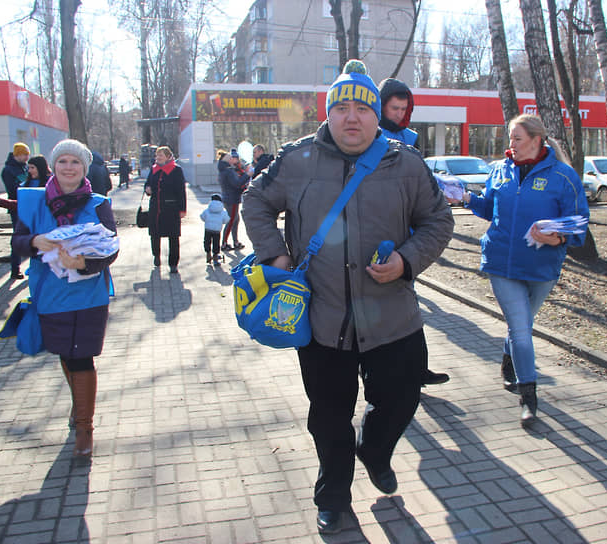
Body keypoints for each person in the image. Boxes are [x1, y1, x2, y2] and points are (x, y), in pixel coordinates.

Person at [242, 60, 454, 534]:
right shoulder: (297, 161)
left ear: (378, 116)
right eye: (342, 107)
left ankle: (375, 449)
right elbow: (254, 200)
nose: (352, 117)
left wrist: (406, 260)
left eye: (363, 107)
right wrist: (273, 255)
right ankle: (333, 495)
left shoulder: (406, 163)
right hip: (322, 319)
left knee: (400, 400)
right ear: (329, 114)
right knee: (329, 419)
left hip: (393, 316)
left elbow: (439, 221)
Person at [454, 114, 589, 426]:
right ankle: (528, 396)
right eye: (509, 138)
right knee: (522, 330)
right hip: (502, 263)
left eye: (517, 138)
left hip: (542, 268)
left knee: (521, 325)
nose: (510, 145)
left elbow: (579, 221)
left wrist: (558, 236)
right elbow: (489, 208)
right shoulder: (499, 170)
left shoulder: (563, 176)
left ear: (536, 140)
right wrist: (465, 198)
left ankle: (508, 358)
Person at [12, 139, 119, 457]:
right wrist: (34, 240)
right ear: (54, 166)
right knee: (65, 352)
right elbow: (17, 242)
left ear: (84, 168)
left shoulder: (98, 203)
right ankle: (78, 407)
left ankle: (84, 428)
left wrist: (84, 262)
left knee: (82, 356)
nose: (68, 167)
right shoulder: (34, 201)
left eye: (75, 162)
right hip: (50, 293)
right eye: (63, 162)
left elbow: (112, 248)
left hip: (89, 294)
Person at [379, 77, 450, 387]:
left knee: (408, 306)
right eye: (394, 108)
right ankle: (378, 374)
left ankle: (417, 369)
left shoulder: (411, 137)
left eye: (404, 108)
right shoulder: (370, 135)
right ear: (380, 106)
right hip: (378, 230)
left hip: (408, 236)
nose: (399, 114)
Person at [144, 146, 187, 273]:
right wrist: (147, 189)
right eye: (157, 156)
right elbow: (147, 183)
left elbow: (181, 191)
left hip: (171, 208)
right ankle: (156, 256)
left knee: (173, 236)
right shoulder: (154, 169)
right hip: (155, 208)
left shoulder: (176, 170)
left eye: (160, 156)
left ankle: (173, 264)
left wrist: (182, 209)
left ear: (168, 157)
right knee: (154, 234)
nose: (158, 158)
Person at [1, 142, 30, 279]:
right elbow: (12, 190)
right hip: (16, 207)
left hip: (27, 205)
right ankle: (15, 268)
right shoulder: (8, 170)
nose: (26, 157)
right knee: (18, 236)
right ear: (17, 155)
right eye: (24, 154)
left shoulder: (25, 167)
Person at [218, 148, 249, 251]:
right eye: (230, 158)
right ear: (226, 160)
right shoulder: (228, 171)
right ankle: (224, 243)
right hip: (232, 198)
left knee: (235, 220)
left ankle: (235, 242)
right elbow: (237, 183)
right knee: (232, 220)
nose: (233, 159)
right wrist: (247, 175)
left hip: (230, 198)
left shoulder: (224, 170)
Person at [377, 78, 418, 146]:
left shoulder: (412, 138)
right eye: (395, 108)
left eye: (403, 109)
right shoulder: (369, 134)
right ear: (382, 106)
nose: (399, 115)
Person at [199, 193, 230, 265]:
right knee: (216, 243)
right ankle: (215, 258)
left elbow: (202, 217)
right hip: (217, 230)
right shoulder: (223, 211)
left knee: (207, 241)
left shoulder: (207, 210)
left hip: (208, 229)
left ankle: (208, 254)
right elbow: (226, 220)